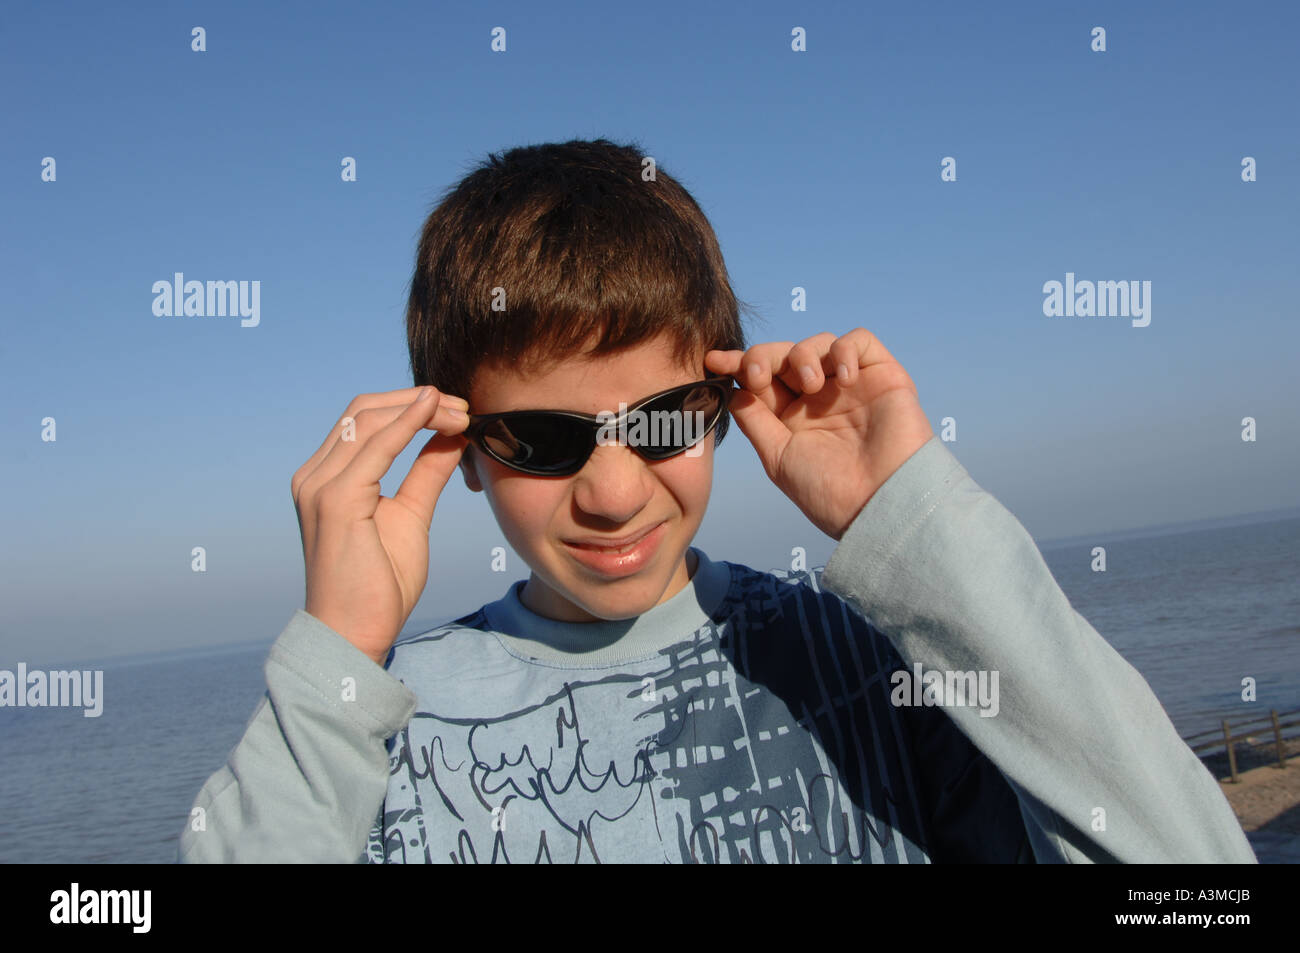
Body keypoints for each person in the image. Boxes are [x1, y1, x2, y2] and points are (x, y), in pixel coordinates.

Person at [177, 138, 1255, 863]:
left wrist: (921, 534)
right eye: (541, 439)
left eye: (658, 419)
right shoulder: (380, 735)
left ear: (724, 397)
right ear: (459, 447)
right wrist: (336, 658)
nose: (609, 490)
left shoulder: (860, 660)